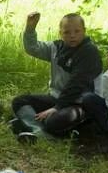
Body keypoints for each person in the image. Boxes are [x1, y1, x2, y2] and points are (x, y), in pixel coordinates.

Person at [9, 12, 102, 142]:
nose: (72, 36)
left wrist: (56, 108)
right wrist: (30, 28)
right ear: (60, 33)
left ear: (84, 31)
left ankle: (30, 124)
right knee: (20, 101)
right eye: (67, 32)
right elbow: (32, 48)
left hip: (79, 103)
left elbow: (76, 84)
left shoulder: (89, 52)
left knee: (53, 122)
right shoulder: (56, 48)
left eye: (77, 31)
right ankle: (38, 130)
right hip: (56, 98)